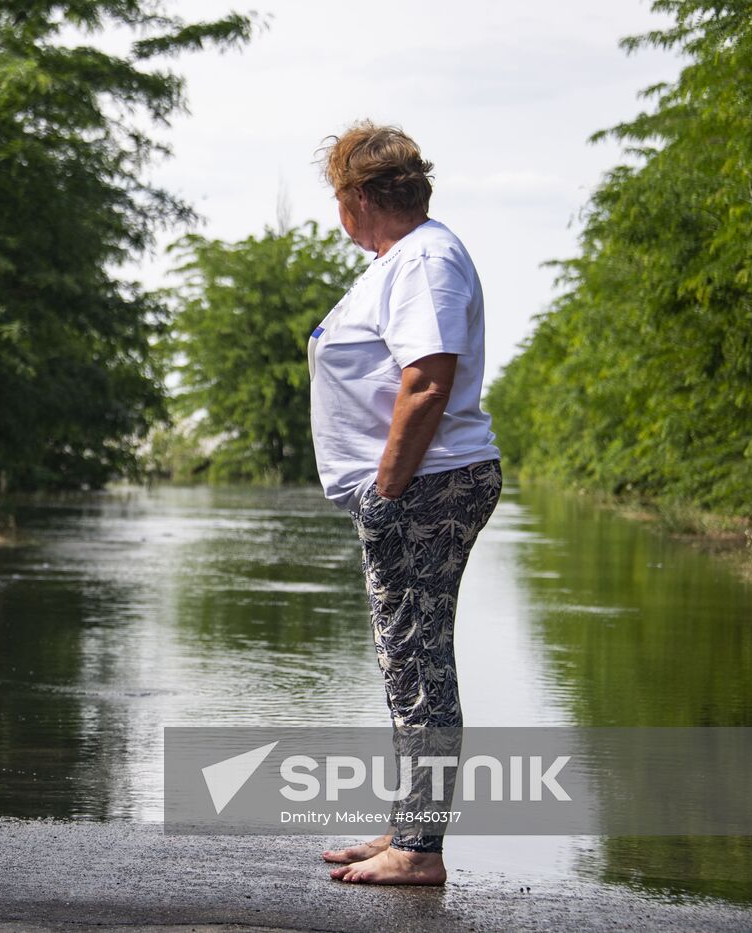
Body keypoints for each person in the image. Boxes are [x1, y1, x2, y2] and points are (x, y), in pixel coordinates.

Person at [307, 121, 502, 885]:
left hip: (426, 486)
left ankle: (419, 849)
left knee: (419, 665)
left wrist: (385, 496)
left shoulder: (423, 259)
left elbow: (426, 382)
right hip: (418, 485)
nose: (338, 210)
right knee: (406, 663)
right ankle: (408, 830)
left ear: (357, 197)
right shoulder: (404, 261)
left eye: (337, 196)